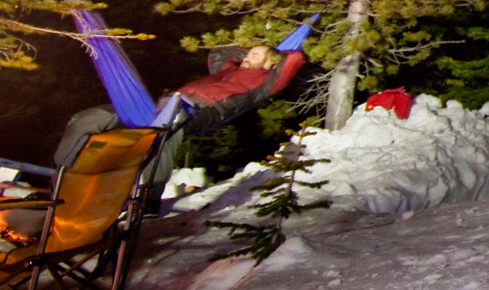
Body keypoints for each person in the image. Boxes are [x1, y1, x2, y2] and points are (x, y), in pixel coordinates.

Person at [49, 41, 310, 183]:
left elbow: (295, 59)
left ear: (269, 62)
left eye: (254, 55)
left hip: (202, 111)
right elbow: (218, 52)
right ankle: (61, 174)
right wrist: (251, 51)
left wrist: (272, 54)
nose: (247, 58)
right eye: (248, 54)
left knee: (169, 126)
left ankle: (148, 197)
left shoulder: (264, 83)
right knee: (90, 117)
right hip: (162, 104)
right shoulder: (227, 70)